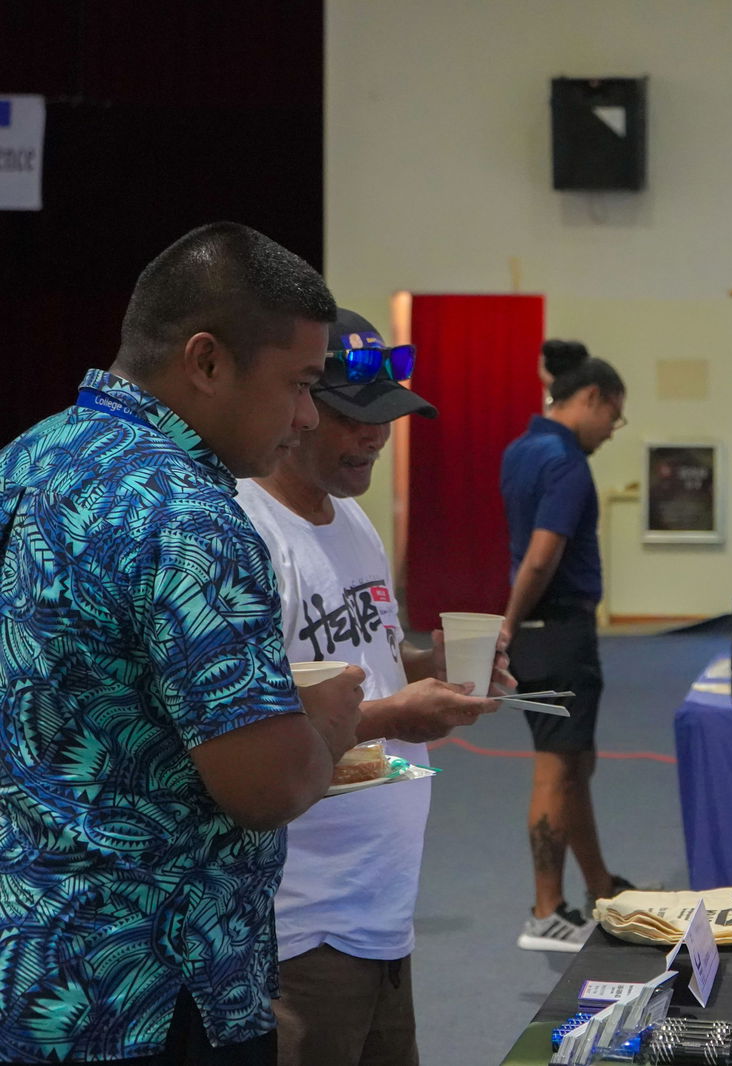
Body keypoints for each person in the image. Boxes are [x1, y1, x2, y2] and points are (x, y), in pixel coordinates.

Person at [0, 222, 366, 1064]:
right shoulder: (189, 518)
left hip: (34, 966)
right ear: (206, 363)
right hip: (154, 991)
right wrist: (325, 723)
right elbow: (266, 788)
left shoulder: (31, 456)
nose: (308, 416)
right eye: (299, 385)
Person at [235, 308, 511, 1066]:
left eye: (387, 417)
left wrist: (438, 664)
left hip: (382, 908)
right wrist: (400, 714)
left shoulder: (356, 524)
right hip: (301, 918)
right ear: (297, 408)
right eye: (354, 418)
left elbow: (369, 663)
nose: (376, 436)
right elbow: (249, 730)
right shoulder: (246, 535)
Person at [500, 339, 635, 951]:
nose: (612, 430)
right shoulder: (566, 464)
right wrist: (508, 621)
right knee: (556, 771)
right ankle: (545, 910)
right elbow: (541, 557)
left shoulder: (519, 450)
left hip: (542, 635)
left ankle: (600, 885)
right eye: (614, 415)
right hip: (556, 634)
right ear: (591, 397)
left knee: (576, 764)